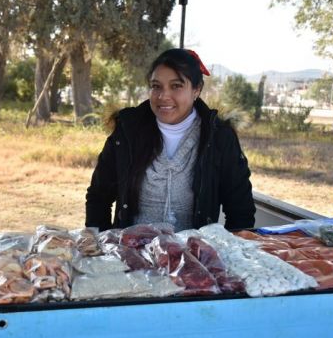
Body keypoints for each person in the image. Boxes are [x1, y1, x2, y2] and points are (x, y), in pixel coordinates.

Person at [85, 48, 255, 232]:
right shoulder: (127, 131)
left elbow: (240, 210)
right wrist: (101, 247)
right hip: (130, 255)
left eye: (176, 86)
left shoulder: (219, 137)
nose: (163, 96)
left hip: (194, 257)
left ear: (196, 90)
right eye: (156, 86)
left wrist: (228, 254)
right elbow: (98, 197)